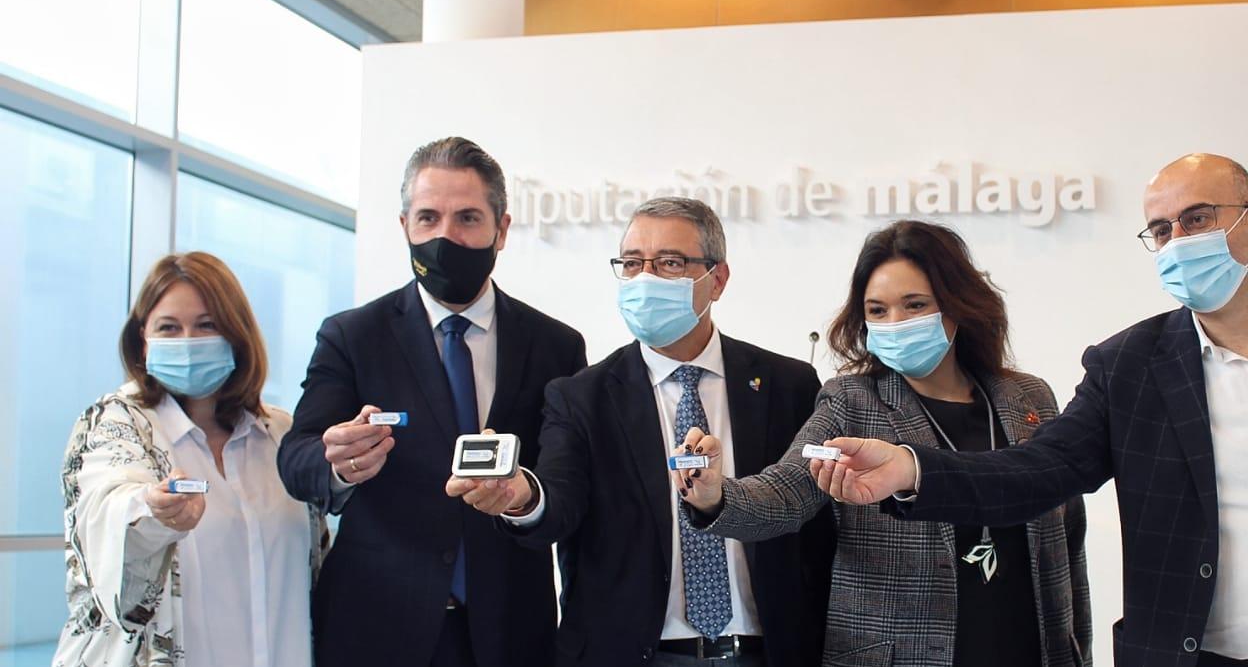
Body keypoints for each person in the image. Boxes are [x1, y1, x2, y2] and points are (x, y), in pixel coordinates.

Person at [821, 154, 1248, 667]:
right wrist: (913, 468)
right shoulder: (1130, 367)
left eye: (1197, 219)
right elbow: (1035, 472)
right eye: (1160, 230)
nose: (1178, 242)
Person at [675, 219, 1092, 667]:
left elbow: (1068, 540)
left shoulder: (1027, 397)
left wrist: (1078, 651)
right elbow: (786, 492)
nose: (895, 323)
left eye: (914, 305)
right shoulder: (852, 401)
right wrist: (715, 496)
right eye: (877, 310)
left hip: (1030, 646)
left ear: (957, 306)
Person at [447, 196, 834, 667]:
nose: (645, 278)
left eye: (670, 262)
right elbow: (560, 501)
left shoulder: (786, 385)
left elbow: (815, 528)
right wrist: (523, 496)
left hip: (767, 650)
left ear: (717, 279)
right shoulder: (581, 396)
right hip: (633, 653)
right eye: (632, 263)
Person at [277, 136, 587, 667]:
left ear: (502, 229)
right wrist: (340, 464)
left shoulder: (555, 345)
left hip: (512, 630)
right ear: (405, 227)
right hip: (377, 626)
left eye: (468, 218)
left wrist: (524, 498)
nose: (445, 237)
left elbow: (570, 483)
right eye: (428, 218)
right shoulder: (352, 336)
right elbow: (297, 458)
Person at [54, 251, 327, 667]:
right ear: (142, 339)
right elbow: (107, 507)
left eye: (207, 325)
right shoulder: (114, 422)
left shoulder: (279, 433)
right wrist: (153, 511)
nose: (188, 342)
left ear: (237, 334)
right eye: (169, 327)